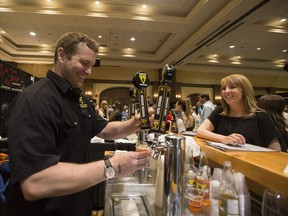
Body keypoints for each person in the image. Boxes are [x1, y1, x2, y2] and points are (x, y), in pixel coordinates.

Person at [4, 32, 150, 216]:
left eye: (91, 65)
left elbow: (104, 129)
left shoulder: (78, 98)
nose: (89, 71)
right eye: (84, 63)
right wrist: (112, 166)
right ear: (62, 55)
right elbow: (35, 182)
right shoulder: (36, 100)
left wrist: (134, 123)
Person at [196, 74, 281, 151]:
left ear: (244, 91)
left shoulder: (260, 116)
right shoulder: (220, 111)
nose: (226, 91)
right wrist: (223, 138)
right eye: (224, 88)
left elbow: (276, 149)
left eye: (232, 87)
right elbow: (200, 131)